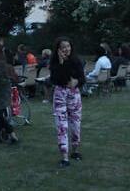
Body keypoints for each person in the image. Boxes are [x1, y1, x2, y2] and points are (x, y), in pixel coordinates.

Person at [49, 36, 84, 167]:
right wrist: (61, 63)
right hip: (60, 95)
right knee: (61, 125)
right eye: (63, 47)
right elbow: (55, 79)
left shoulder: (76, 60)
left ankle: (75, 151)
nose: (66, 49)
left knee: (75, 124)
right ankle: (64, 157)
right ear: (58, 49)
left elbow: (82, 78)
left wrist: (77, 81)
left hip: (74, 95)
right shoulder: (54, 63)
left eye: (68, 46)